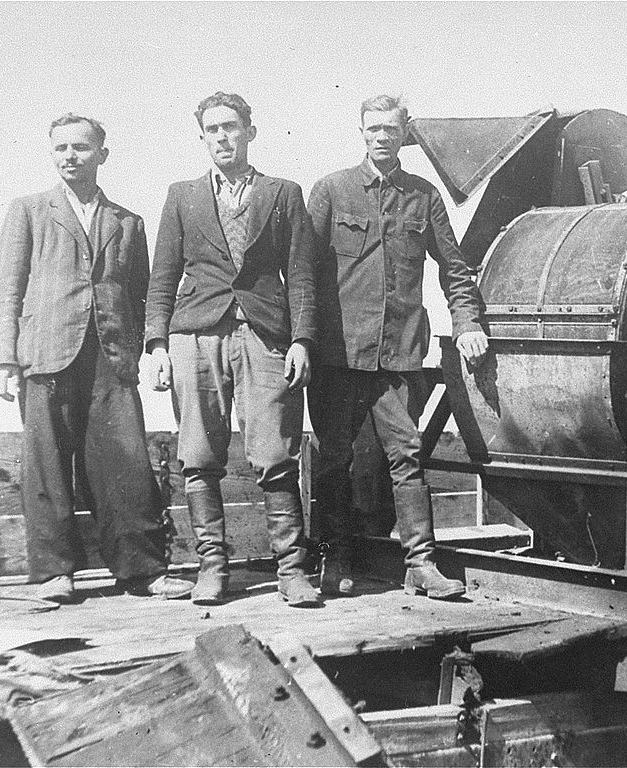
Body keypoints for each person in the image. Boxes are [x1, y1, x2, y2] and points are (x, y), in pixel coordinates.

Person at [0, 113, 194, 603]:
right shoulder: (29, 210)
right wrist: (3, 359)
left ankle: (141, 569)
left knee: (125, 463)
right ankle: (55, 573)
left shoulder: (128, 222)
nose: (70, 157)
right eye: (60, 148)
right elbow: (7, 291)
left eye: (80, 147)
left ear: (103, 154)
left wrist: (146, 349)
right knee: (47, 465)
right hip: (45, 355)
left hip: (110, 356)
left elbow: (142, 295)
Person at [307, 94, 489, 600]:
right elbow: (303, 275)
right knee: (333, 458)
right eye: (373, 128)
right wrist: (301, 342)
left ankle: (421, 564)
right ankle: (335, 557)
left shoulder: (424, 197)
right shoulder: (331, 191)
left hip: (399, 355)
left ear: (405, 132)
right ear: (361, 132)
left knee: (407, 455)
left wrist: (468, 321)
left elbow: (454, 270)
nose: (381, 136)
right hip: (337, 357)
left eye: (390, 128)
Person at [145, 92, 320, 606]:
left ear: (250, 131)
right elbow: (163, 276)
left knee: (274, 452)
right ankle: (212, 568)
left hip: (265, 335)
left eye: (231, 127)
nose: (223, 137)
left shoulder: (283, 193)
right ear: (202, 137)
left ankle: (292, 571)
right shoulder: (183, 196)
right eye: (213, 130)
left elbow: (303, 275)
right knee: (198, 453)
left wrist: (302, 339)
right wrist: (157, 344)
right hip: (195, 335)